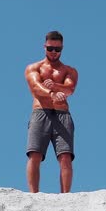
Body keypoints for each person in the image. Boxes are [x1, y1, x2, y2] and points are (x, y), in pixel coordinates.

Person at [25, 31, 79, 193]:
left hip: (62, 114)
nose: (54, 53)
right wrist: (52, 94)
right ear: (44, 47)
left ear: (62, 48)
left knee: (65, 156)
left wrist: (55, 86)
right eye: (50, 49)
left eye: (57, 49)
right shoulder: (34, 68)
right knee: (35, 154)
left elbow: (70, 88)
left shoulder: (69, 70)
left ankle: (65, 196)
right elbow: (35, 88)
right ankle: (33, 194)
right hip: (41, 111)